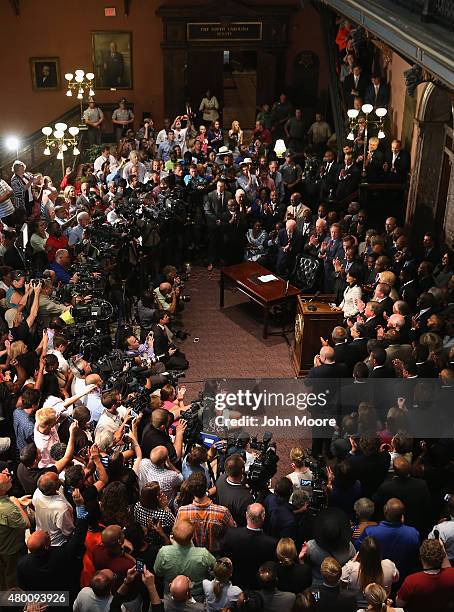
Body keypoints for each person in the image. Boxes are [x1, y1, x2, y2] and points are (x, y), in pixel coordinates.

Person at [356, 499, 420, 579]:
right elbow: (415, 555)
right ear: (402, 516)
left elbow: (358, 549)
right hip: (403, 577)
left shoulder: (370, 532)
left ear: (385, 512)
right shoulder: (413, 533)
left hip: (377, 577)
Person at [154, 520, 216, 599]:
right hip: (196, 594)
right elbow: (216, 569)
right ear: (193, 536)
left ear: (173, 536)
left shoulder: (164, 552)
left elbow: (158, 572)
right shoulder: (203, 554)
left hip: (171, 593)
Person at [176, 472, 236, 554]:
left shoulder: (182, 512)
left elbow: (178, 534)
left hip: (192, 555)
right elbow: (233, 531)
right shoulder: (222, 512)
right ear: (206, 487)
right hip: (216, 556)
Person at [223, 503, 277, 589]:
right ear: (263, 517)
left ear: (246, 515)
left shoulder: (231, 534)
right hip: (258, 585)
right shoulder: (271, 543)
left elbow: (225, 557)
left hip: (235, 582)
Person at [396, 539, 454, 612]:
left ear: (421, 558)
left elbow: (399, 604)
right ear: (442, 556)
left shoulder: (412, 581)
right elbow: (448, 567)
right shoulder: (451, 575)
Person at [341, 536, 399, 607]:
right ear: (379, 553)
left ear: (361, 554)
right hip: (380, 606)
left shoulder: (350, 568)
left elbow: (340, 583)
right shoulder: (389, 565)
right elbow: (396, 579)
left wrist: (353, 561)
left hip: (356, 606)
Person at [0, 469, 31, 590]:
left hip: (3, 546)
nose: (9, 476)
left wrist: (17, 501)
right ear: (2, 490)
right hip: (11, 550)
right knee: (13, 576)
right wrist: (16, 504)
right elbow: (26, 524)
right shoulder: (8, 508)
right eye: (6, 479)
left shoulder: (5, 503)